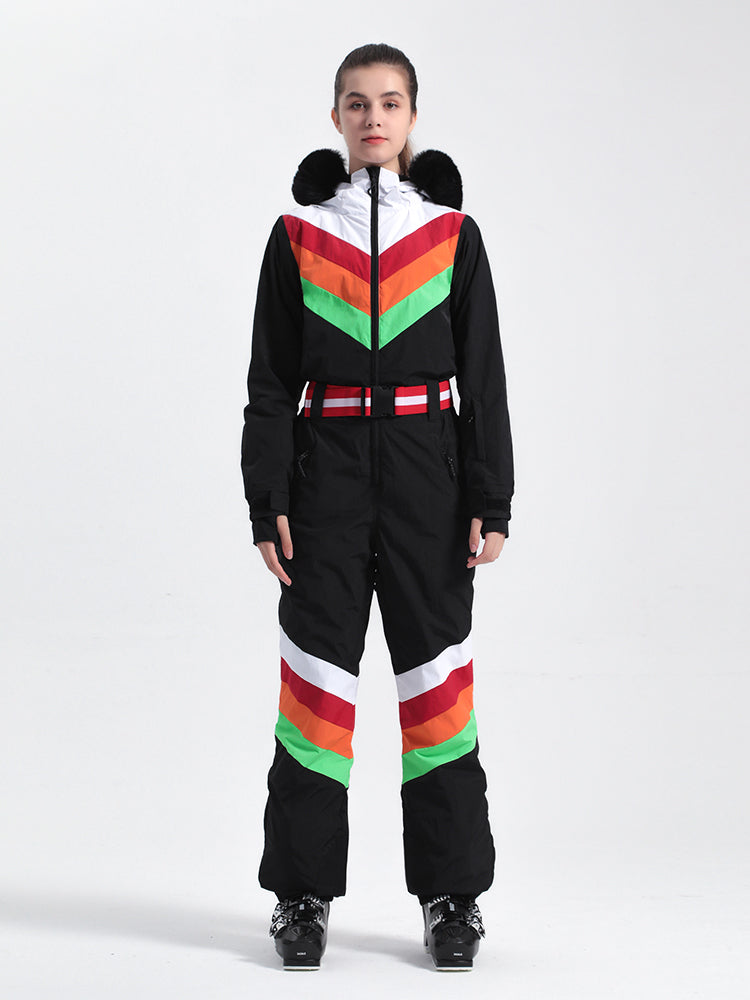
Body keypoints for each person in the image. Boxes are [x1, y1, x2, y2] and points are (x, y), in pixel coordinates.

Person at [240, 42, 514, 971]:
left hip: (428, 479)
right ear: (335, 118)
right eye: (356, 103)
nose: (373, 118)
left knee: (436, 687)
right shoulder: (297, 234)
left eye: (390, 102)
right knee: (315, 687)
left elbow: (484, 377)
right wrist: (267, 496)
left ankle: (452, 895)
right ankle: (302, 894)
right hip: (325, 481)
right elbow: (270, 381)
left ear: (411, 118)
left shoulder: (451, 233)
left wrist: (491, 496)